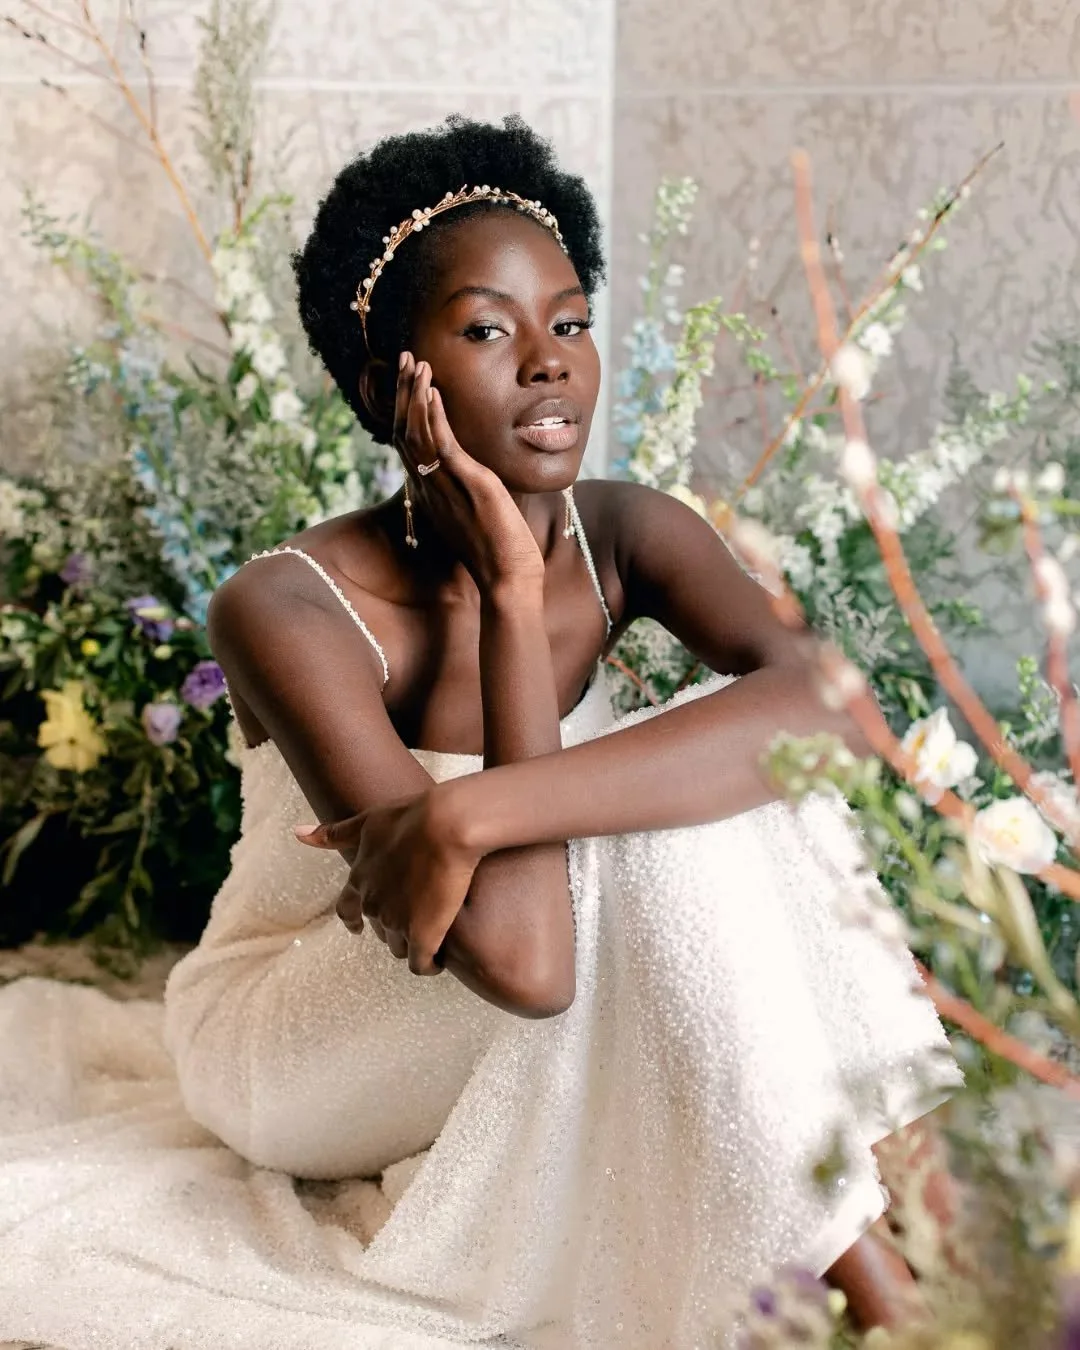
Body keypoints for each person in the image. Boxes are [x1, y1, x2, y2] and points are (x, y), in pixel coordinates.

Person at [0, 115, 960, 1349]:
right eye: (488, 331)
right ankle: (887, 1294)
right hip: (301, 1040)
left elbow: (838, 710)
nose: (550, 363)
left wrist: (462, 812)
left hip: (498, 996)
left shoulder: (629, 531)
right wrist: (510, 591)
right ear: (388, 386)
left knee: (713, 794)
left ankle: (891, 1262)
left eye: (567, 322)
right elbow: (526, 961)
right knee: (667, 827)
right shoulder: (288, 604)